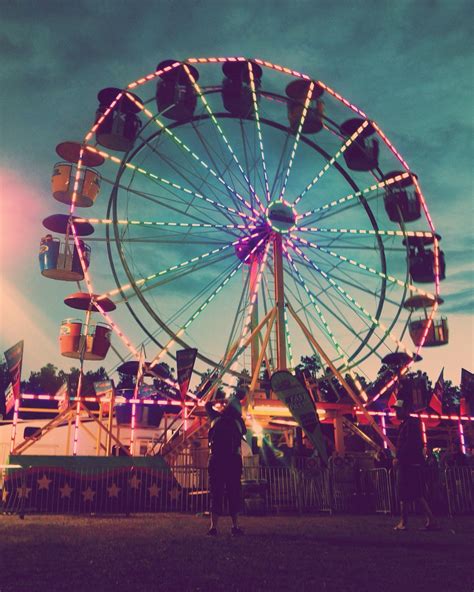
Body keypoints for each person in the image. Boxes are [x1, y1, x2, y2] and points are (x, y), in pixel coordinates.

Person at [392, 398, 438, 531]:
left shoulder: (410, 424)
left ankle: (405, 522)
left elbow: (409, 444)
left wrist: (399, 457)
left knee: (407, 493)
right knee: (414, 494)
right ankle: (427, 520)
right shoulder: (409, 423)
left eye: (398, 409)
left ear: (406, 410)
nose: (396, 412)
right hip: (411, 463)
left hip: (408, 464)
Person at [205, 393, 246, 536]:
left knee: (216, 492)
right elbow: (244, 432)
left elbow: (207, 405)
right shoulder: (239, 422)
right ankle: (235, 526)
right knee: (234, 492)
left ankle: (213, 527)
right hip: (233, 460)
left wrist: (220, 401)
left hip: (216, 459)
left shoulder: (216, 418)